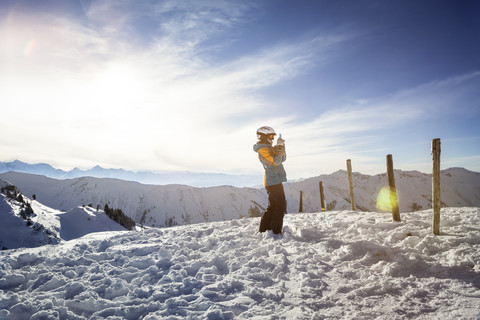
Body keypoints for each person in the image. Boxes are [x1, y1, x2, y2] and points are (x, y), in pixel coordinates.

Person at [253, 126, 287, 234]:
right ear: (264, 137)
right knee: (281, 205)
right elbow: (275, 161)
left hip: (275, 180)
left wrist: (281, 147)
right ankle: (275, 231)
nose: (272, 139)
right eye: (271, 136)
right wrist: (279, 148)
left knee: (273, 206)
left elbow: (282, 159)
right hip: (272, 182)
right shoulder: (263, 150)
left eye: (273, 137)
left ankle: (264, 229)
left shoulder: (269, 148)